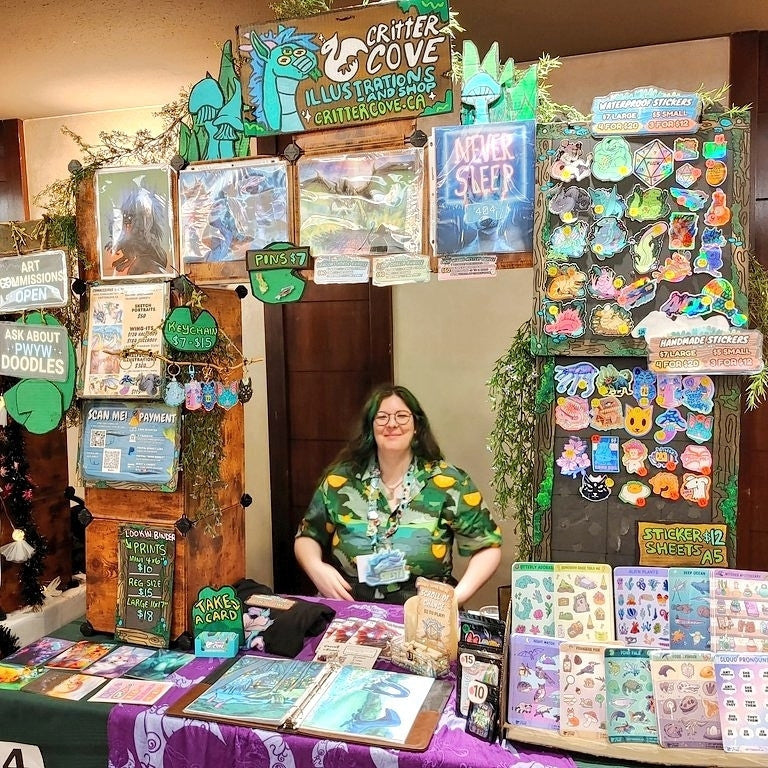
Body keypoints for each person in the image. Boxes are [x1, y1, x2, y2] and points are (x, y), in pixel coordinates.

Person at [294, 384, 502, 606]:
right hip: (350, 609)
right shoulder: (341, 480)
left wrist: (454, 599)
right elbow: (308, 535)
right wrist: (316, 568)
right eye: (382, 417)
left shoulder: (448, 482)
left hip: (425, 614)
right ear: (370, 428)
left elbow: (487, 545)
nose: (392, 424)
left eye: (402, 416)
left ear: (416, 426)